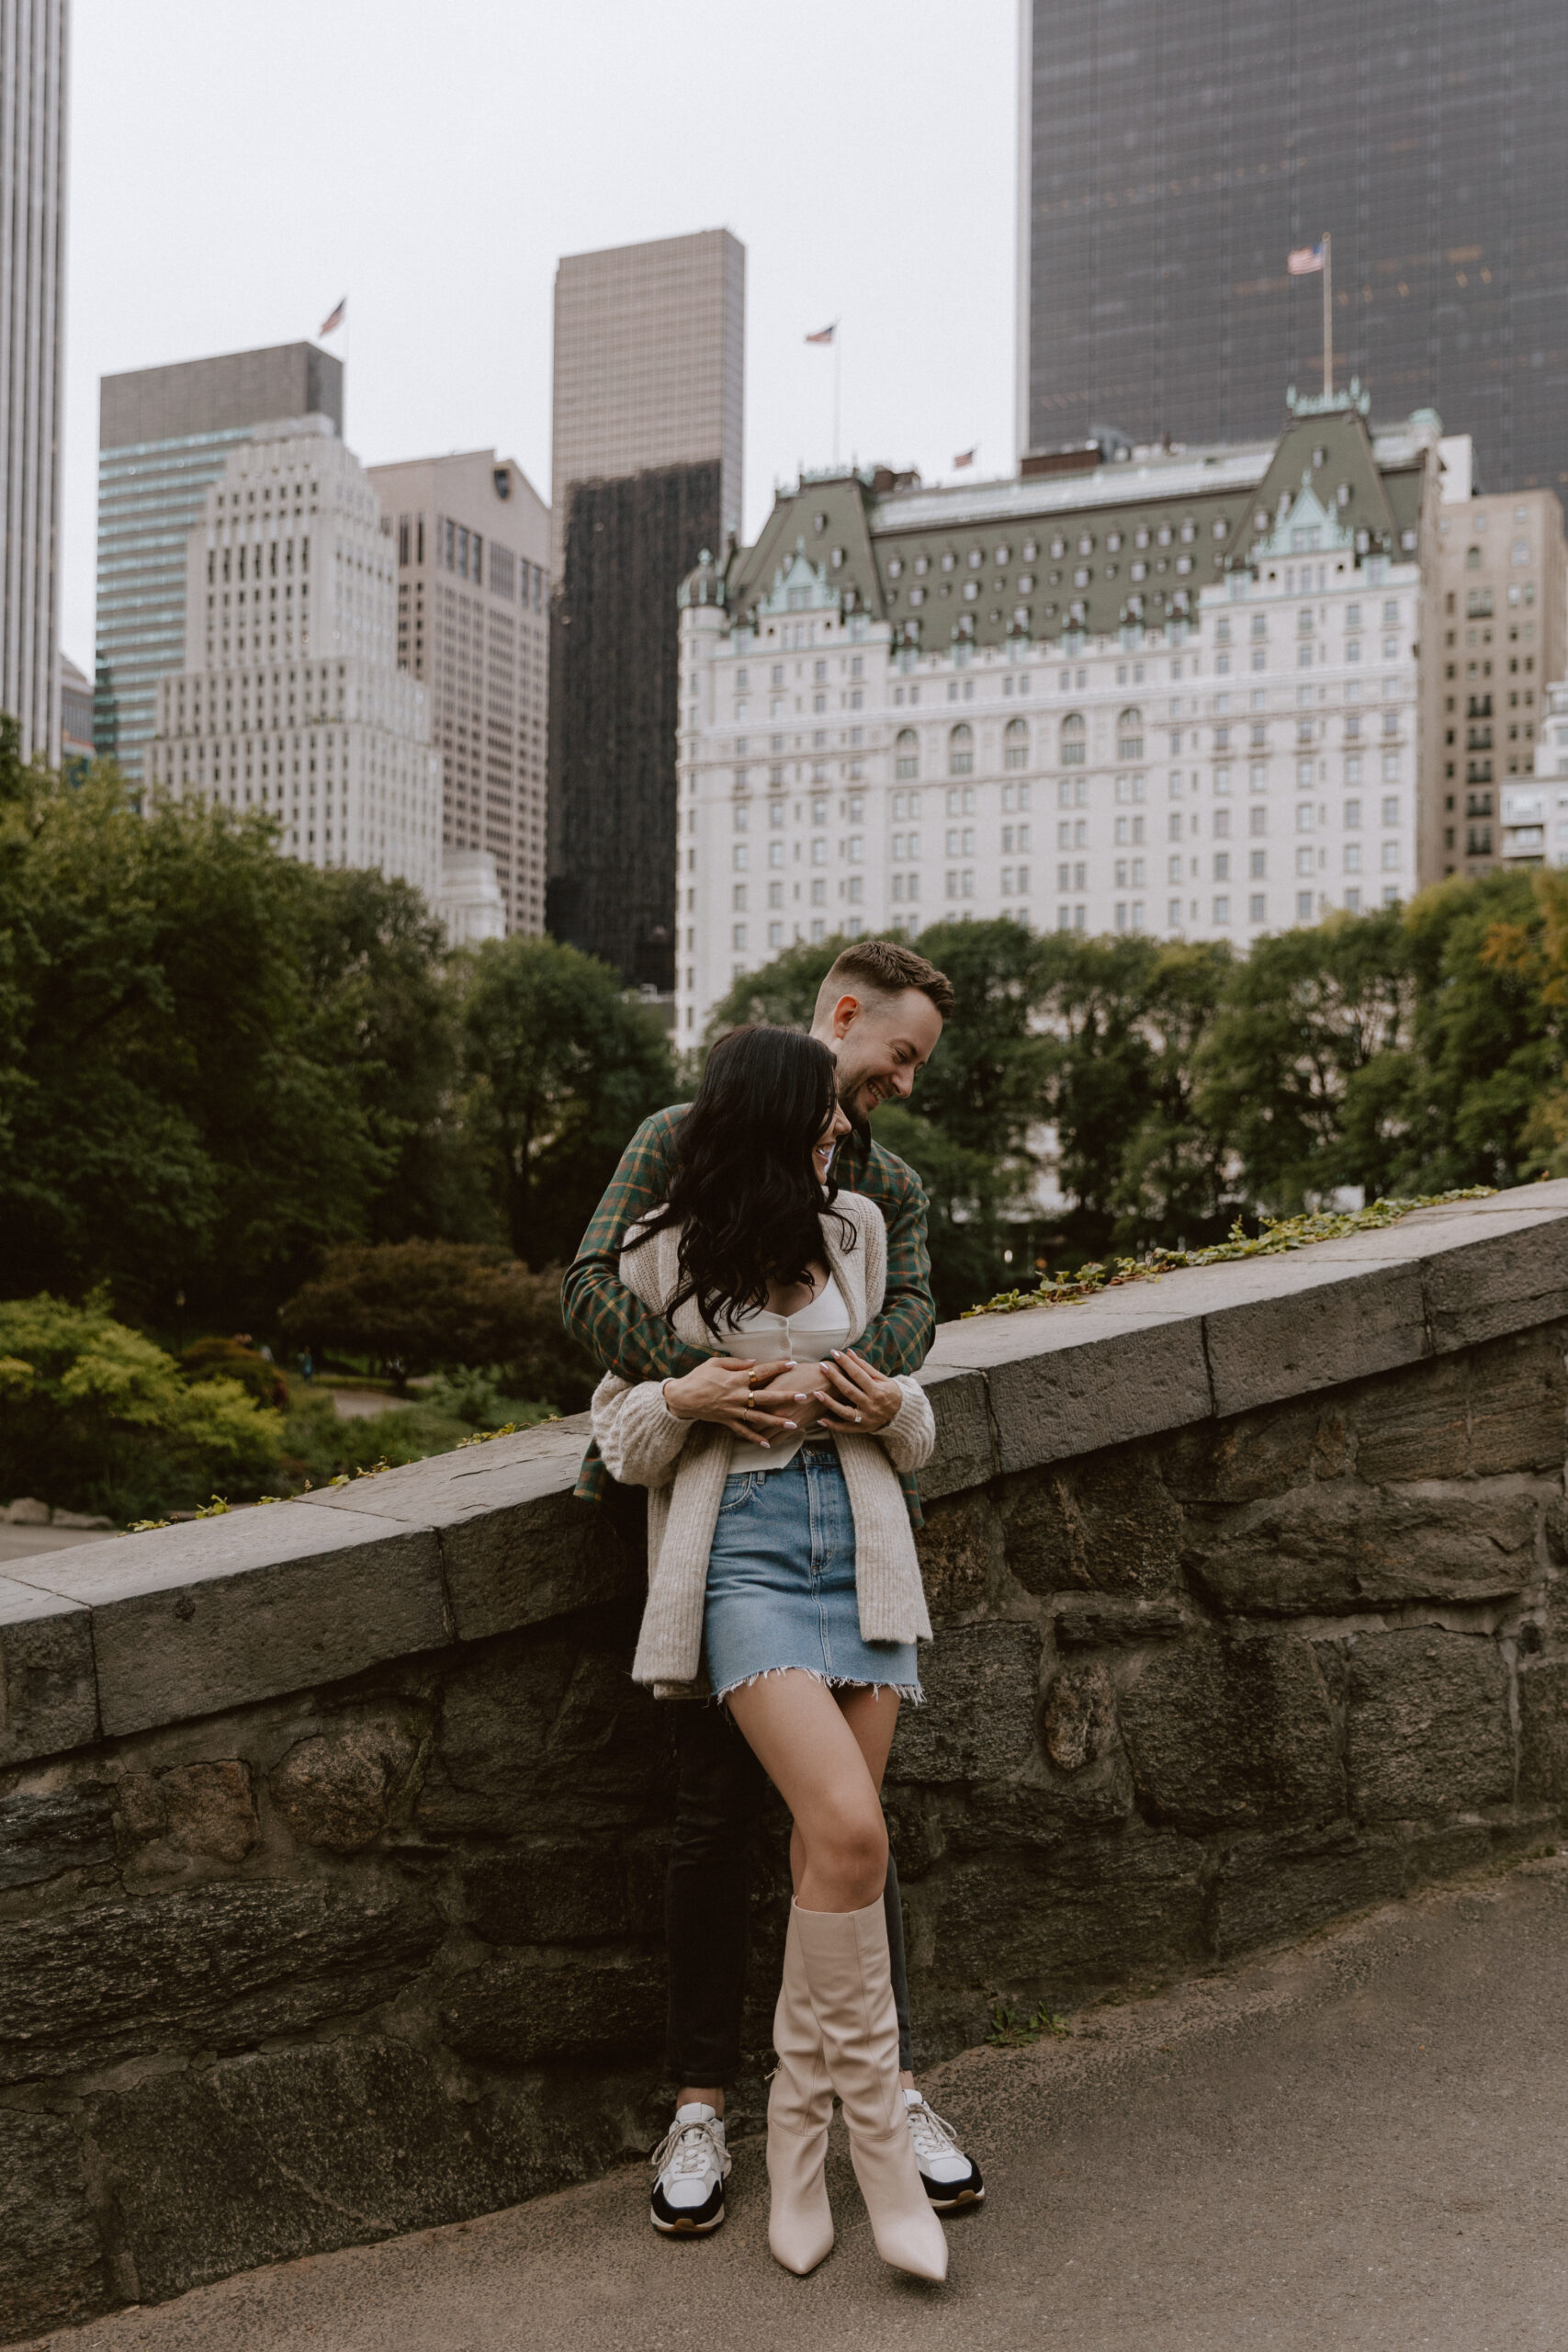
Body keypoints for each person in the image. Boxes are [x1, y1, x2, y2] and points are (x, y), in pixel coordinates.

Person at [561, 941, 982, 2248]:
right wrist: (706, 1376)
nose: (898, 1086)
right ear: (843, 1016)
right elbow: (589, 1289)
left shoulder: (882, 1188)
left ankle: (879, 2091)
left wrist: (851, 1374)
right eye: (896, 1055)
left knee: (850, 1833)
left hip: (852, 1522)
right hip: (720, 1527)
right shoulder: (680, 1137)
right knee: (709, 1818)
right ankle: (701, 2101)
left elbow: (911, 1321)